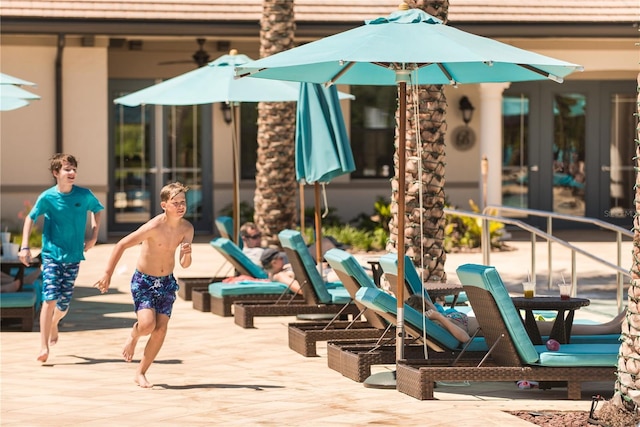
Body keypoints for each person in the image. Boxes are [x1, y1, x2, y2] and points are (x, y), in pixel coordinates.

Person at [94, 182, 193, 388]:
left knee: (161, 329)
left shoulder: (187, 228)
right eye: (176, 203)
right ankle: (134, 335)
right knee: (147, 326)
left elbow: (184, 265)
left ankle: (141, 372)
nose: (181, 206)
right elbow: (122, 244)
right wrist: (107, 273)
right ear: (164, 205)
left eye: (183, 202)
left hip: (167, 283)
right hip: (145, 282)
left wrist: (186, 254)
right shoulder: (153, 227)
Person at [19, 153, 104, 363]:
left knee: (63, 305)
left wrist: (93, 236)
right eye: (67, 169)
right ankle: (43, 346)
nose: (72, 173)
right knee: (49, 298)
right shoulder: (47, 197)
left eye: (74, 169)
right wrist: (24, 246)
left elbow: (97, 210)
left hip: (73, 256)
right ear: (56, 173)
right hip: (51, 256)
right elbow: (30, 219)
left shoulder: (84, 195)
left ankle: (55, 323)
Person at [406, 294, 626, 343]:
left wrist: (436, 311)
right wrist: (438, 317)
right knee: (552, 327)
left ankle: (609, 325)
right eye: (427, 304)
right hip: (501, 331)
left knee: (550, 325)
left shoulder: (436, 313)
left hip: (498, 323)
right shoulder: (436, 322)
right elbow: (463, 339)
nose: (431, 304)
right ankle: (608, 329)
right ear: (424, 311)